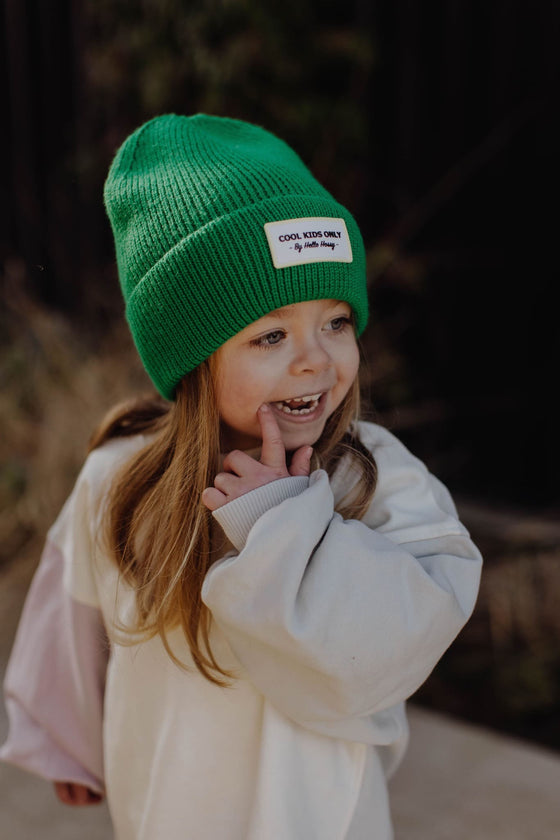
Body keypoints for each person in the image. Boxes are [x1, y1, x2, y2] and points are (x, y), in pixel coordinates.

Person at [0, 114, 482, 839]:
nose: (316, 360)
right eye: (271, 334)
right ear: (194, 355)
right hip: (169, 802)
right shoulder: (118, 478)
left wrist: (282, 527)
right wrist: (64, 736)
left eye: (336, 322)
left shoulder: (368, 477)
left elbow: (412, 625)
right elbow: (72, 614)